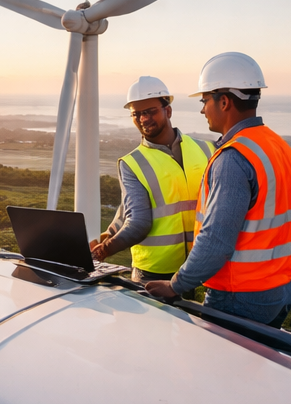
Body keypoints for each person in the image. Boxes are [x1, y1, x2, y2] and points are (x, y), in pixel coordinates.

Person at [144, 53, 291, 327]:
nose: (202, 109)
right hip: (282, 290)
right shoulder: (280, 146)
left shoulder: (233, 158)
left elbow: (216, 240)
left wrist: (175, 285)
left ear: (225, 101)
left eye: (204, 101)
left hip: (241, 296)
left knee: (221, 369)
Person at [90, 76, 214, 283]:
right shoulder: (132, 163)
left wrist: (103, 249)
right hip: (154, 270)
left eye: (150, 111)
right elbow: (130, 214)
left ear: (168, 110)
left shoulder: (207, 149)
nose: (143, 119)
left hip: (197, 267)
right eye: (136, 114)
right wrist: (103, 243)